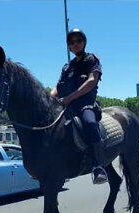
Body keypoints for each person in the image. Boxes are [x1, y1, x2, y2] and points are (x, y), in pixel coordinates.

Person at [50, 29, 107, 184]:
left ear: (84, 43)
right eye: (72, 42)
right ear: (69, 46)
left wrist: (69, 98)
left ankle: (98, 166)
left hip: (85, 104)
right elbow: (57, 86)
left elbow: (90, 83)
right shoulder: (66, 67)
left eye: (78, 41)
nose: (75, 44)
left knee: (89, 123)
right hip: (67, 105)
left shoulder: (91, 60)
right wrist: (49, 97)